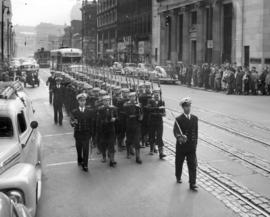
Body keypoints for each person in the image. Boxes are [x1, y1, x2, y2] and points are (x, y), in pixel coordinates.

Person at [173, 97, 198, 191]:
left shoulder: (195, 118)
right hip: (182, 146)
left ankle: (192, 183)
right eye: (186, 106)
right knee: (179, 163)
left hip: (191, 147)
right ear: (183, 108)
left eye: (189, 106)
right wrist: (180, 138)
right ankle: (178, 176)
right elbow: (176, 132)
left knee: (192, 165)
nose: (188, 108)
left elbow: (196, 132)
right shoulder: (178, 119)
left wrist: (195, 144)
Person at [70, 93, 94, 172]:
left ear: (85, 102)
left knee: (86, 149)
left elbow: (91, 122)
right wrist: (73, 123)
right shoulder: (74, 111)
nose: (82, 102)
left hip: (86, 134)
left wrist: (91, 133)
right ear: (78, 102)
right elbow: (72, 122)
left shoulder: (89, 111)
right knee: (79, 148)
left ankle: (85, 164)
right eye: (81, 101)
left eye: (83, 101)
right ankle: (79, 158)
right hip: (78, 134)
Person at [96, 95, 118, 167]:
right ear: (103, 101)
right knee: (103, 144)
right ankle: (104, 156)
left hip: (111, 129)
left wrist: (115, 119)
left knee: (111, 144)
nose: (107, 102)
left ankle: (112, 160)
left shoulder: (113, 108)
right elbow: (98, 119)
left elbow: (117, 116)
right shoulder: (100, 109)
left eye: (108, 100)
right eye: (105, 100)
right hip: (103, 129)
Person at [124, 92, 143, 164]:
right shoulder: (126, 104)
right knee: (129, 140)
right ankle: (128, 152)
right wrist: (136, 106)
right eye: (131, 97)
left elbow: (141, 114)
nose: (133, 98)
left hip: (137, 125)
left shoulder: (139, 104)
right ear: (129, 97)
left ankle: (138, 157)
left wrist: (141, 116)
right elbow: (128, 114)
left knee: (137, 141)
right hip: (129, 125)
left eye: (134, 97)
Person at [147, 88, 166, 159]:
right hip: (152, 121)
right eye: (155, 93)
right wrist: (157, 109)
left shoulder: (162, 101)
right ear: (153, 94)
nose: (157, 94)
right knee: (152, 136)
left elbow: (163, 111)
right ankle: (151, 149)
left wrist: (163, 114)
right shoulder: (150, 101)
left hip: (159, 121)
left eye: (158, 93)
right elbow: (148, 109)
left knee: (159, 137)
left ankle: (161, 153)